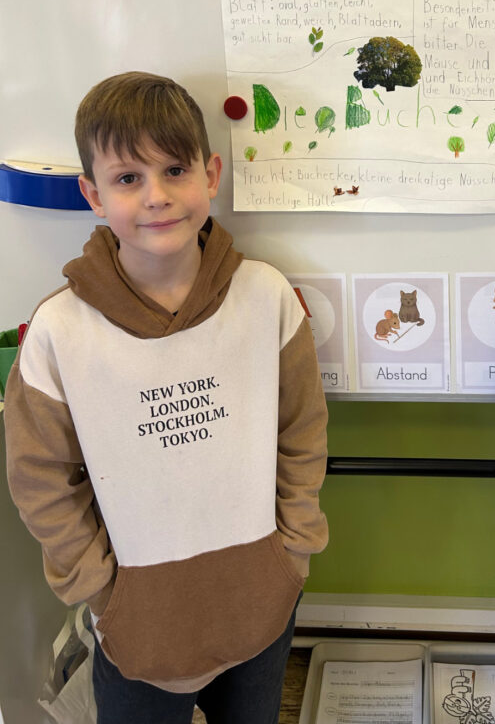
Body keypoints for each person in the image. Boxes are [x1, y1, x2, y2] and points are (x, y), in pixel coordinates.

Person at [5, 71, 328, 724]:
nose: (156, 196)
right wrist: (101, 591)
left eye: (175, 170)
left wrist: (292, 550)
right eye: (128, 178)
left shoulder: (266, 297)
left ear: (210, 175)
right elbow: (40, 477)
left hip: (260, 605)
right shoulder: (60, 330)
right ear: (93, 195)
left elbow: (301, 429)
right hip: (137, 625)